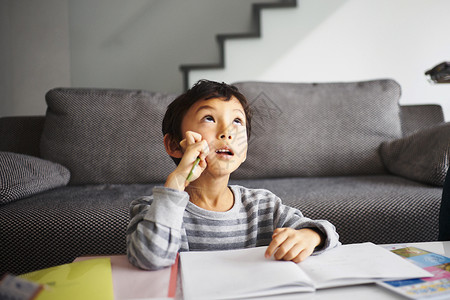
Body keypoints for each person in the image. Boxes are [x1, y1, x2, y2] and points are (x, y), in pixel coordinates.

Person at [126, 80, 340, 270]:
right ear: (174, 144)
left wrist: (310, 236)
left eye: (237, 121)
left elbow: (328, 233)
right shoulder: (154, 209)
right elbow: (149, 258)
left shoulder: (263, 206)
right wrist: (176, 181)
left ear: (244, 150)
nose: (226, 132)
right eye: (209, 118)